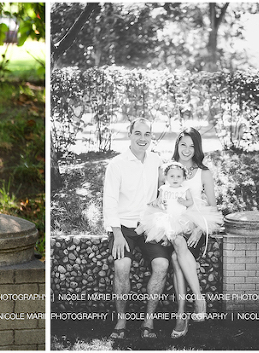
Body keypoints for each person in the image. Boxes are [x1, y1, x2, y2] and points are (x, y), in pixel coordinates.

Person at [103, 118, 168, 339]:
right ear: (130, 134)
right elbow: (109, 201)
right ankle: (121, 321)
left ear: (151, 137)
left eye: (147, 134)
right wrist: (118, 234)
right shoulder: (117, 164)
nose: (142, 138)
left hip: (149, 226)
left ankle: (147, 323)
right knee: (122, 266)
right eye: (138, 133)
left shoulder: (157, 161)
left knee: (162, 265)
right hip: (124, 227)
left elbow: (165, 189)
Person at [166, 127, 223, 338]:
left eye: (192, 146)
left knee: (175, 257)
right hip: (174, 223)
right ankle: (199, 299)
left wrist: (200, 228)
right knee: (178, 244)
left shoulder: (204, 172)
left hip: (198, 224)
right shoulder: (170, 169)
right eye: (183, 145)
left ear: (197, 148)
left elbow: (213, 207)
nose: (187, 150)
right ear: (177, 146)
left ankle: (182, 316)